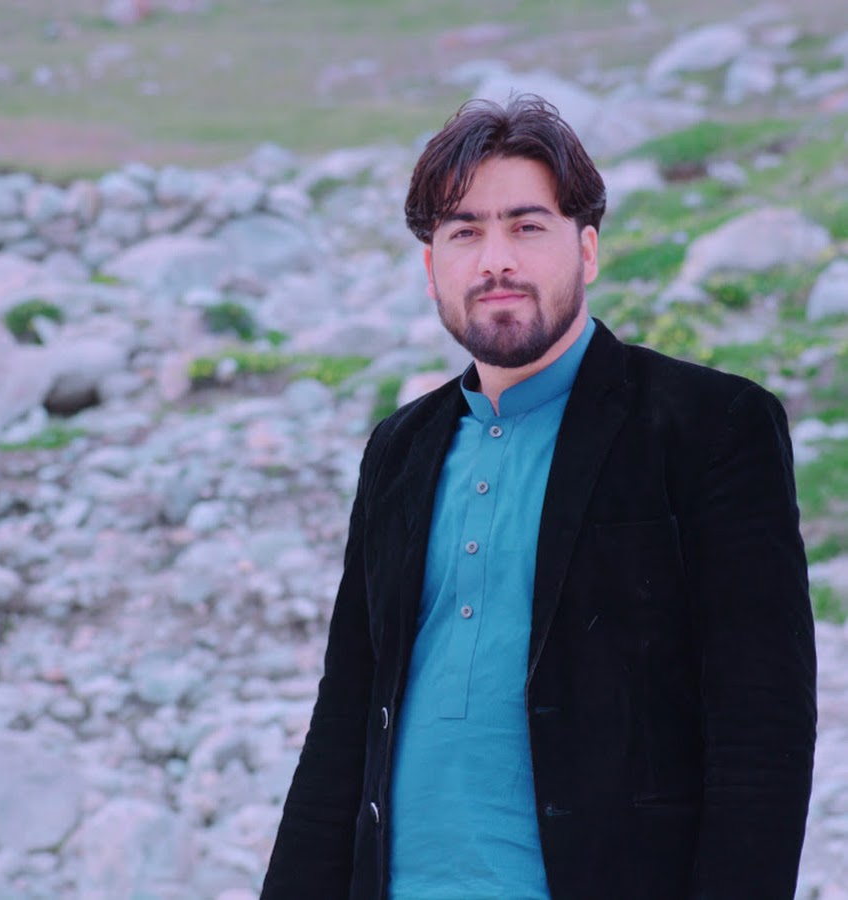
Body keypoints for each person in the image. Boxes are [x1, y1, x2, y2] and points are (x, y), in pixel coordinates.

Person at [260, 95, 817, 900]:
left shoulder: (710, 425)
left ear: (586, 250)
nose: (497, 261)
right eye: (464, 233)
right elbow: (346, 716)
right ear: (432, 269)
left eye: (527, 227)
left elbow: (762, 727)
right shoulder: (399, 451)